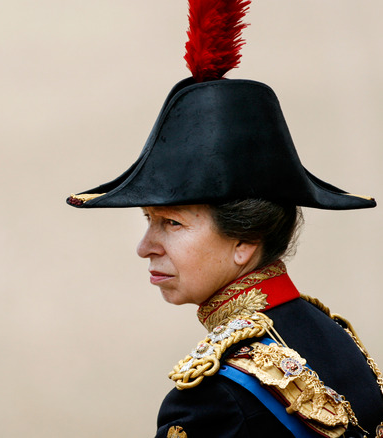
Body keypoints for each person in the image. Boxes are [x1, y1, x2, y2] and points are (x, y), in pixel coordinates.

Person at [66, 1, 383, 437]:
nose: (146, 246)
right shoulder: (330, 334)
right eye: (148, 220)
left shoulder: (214, 398)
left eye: (172, 223)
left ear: (245, 241)